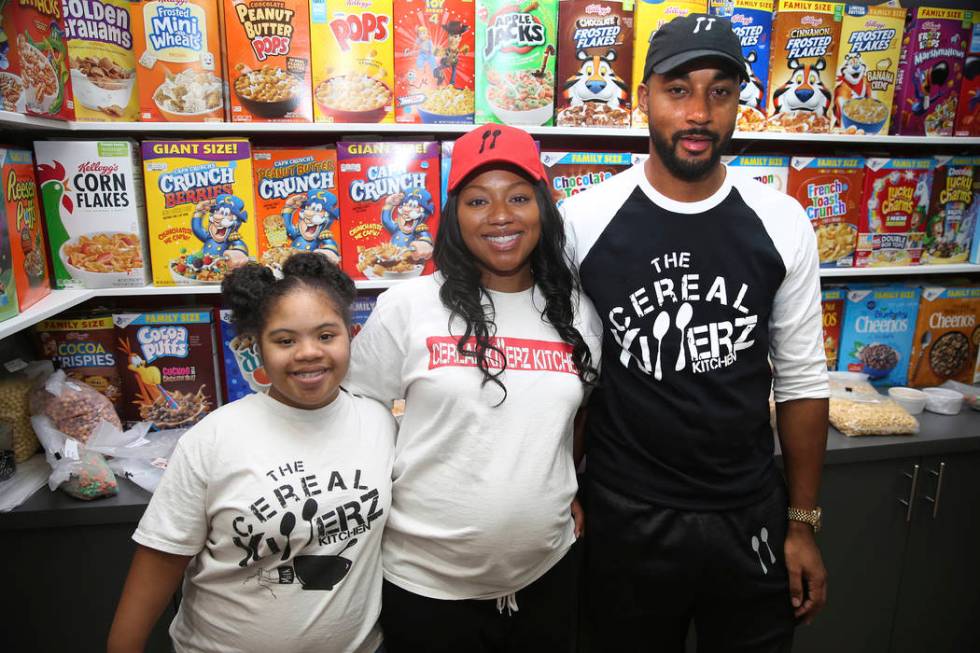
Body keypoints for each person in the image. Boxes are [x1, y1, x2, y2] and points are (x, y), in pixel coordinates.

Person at [561, 13, 829, 652]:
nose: (700, 112)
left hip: (748, 513)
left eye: (720, 91)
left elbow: (802, 381)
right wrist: (562, 493)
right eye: (678, 89)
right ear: (643, 98)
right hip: (625, 511)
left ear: (742, 102)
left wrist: (802, 524)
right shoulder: (583, 219)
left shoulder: (782, 219)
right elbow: (572, 375)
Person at [345, 123, 601, 653]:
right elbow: (353, 411)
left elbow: (577, 414)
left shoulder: (577, 311)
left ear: (543, 209)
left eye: (520, 197)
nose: (501, 216)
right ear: (455, 216)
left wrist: (566, 483)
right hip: (426, 589)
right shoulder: (409, 305)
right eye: (479, 200)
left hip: (547, 579)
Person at [107, 254, 395, 653]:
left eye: (326, 335)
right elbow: (160, 560)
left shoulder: (379, 422)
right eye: (285, 340)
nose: (308, 352)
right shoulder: (214, 439)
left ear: (351, 334)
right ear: (255, 346)